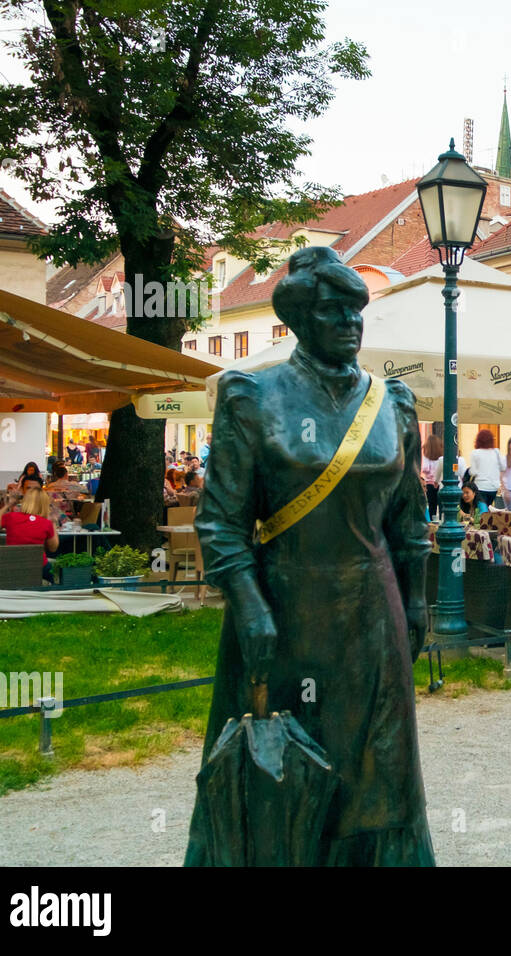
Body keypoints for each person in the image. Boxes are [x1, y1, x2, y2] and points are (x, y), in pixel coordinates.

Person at [185, 244, 433, 866]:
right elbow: (220, 522)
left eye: (357, 310)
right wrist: (248, 605)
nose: (350, 322)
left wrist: (419, 597)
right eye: (333, 311)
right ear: (297, 319)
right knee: (283, 761)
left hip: (374, 611)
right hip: (285, 608)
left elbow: (410, 517)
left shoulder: (393, 402)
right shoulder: (253, 395)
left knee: (379, 767)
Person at [0, 487, 59, 582]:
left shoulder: (11, 517)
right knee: (57, 573)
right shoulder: (46, 523)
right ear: (45, 504)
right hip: (37, 567)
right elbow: (53, 548)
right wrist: (53, 523)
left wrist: (8, 505)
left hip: (11, 565)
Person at [468, 429, 505, 509]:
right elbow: (503, 467)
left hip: (480, 486)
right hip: (493, 487)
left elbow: (473, 472)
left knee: (482, 511)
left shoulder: (475, 453)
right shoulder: (496, 452)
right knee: (487, 509)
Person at [421, 433, 443, 520]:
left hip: (429, 484)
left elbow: (424, 469)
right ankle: (441, 520)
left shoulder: (426, 457)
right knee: (441, 505)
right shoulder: (441, 457)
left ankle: (431, 522)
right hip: (439, 483)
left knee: (432, 505)